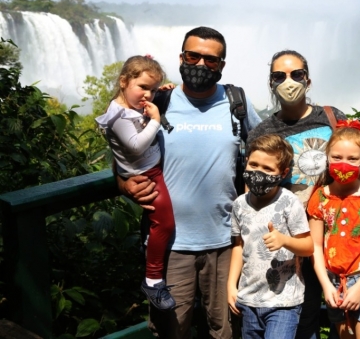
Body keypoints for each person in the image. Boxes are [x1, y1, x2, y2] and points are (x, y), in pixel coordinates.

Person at [117, 27, 261, 339]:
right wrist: (124, 184)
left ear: (222, 65)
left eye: (211, 60)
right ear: (181, 57)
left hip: (228, 242)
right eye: (193, 56)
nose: (200, 65)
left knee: (227, 330)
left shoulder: (237, 102)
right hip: (170, 246)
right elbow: (125, 153)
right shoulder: (158, 102)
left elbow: (271, 149)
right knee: (171, 330)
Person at [246, 50, 360, 339]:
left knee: (338, 317)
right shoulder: (263, 131)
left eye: (296, 74)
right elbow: (255, 187)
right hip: (293, 244)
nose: (289, 82)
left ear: (308, 80)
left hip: (338, 242)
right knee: (301, 319)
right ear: (271, 82)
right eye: (279, 76)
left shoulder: (331, 117)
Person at [96, 55, 176, 311]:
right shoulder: (118, 116)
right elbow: (135, 144)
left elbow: (144, 97)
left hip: (152, 168)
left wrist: (159, 94)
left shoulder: (131, 106)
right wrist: (155, 119)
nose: (148, 95)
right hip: (147, 175)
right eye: (143, 87)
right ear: (123, 81)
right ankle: (153, 280)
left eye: (152, 90)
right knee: (164, 222)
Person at [307, 120, 360, 339]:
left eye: (352, 159)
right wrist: (326, 285)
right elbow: (314, 244)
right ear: (327, 157)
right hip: (334, 283)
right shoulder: (320, 197)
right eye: (337, 158)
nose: (344, 164)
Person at [228, 134, 313, 339]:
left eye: (267, 169)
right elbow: (238, 246)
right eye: (254, 164)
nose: (258, 172)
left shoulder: (289, 202)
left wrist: (285, 241)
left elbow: (308, 246)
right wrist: (232, 285)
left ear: (283, 173)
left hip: (283, 302)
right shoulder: (239, 204)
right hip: (249, 299)